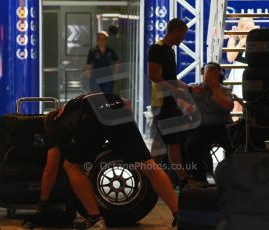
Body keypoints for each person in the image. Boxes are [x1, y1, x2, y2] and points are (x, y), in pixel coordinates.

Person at [34, 92, 179, 229]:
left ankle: (94, 218)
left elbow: (50, 170)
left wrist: (42, 203)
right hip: (118, 107)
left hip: (94, 115)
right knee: (148, 166)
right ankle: (178, 214)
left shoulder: (56, 126)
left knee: (71, 165)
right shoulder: (76, 103)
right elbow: (127, 103)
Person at [148, 18, 200, 188]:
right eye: (182, 35)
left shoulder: (169, 51)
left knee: (161, 144)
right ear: (175, 31)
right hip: (161, 102)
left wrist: (189, 89)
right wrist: (173, 90)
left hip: (168, 102)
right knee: (172, 142)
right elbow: (153, 75)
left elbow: (172, 79)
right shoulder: (157, 49)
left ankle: (150, 178)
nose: (183, 39)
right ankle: (182, 178)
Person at [185, 62, 234, 184]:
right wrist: (185, 106)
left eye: (214, 77)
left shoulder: (224, 90)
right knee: (191, 145)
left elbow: (228, 107)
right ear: (203, 74)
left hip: (220, 127)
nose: (210, 80)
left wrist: (215, 90)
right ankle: (199, 178)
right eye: (208, 77)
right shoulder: (193, 88)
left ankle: (229, 175)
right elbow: (180, 99)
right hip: (201, 127)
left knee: (233, 145)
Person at [226, 18, 256, 116]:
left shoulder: (256, 39)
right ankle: (236, 127)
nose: (250, 30)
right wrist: (240, 44)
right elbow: (230, 58)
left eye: (252, 27)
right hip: (239, 73)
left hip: (252, 71)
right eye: (247, 27)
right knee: (238, 104)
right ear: (241, 28)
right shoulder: (235, 39)